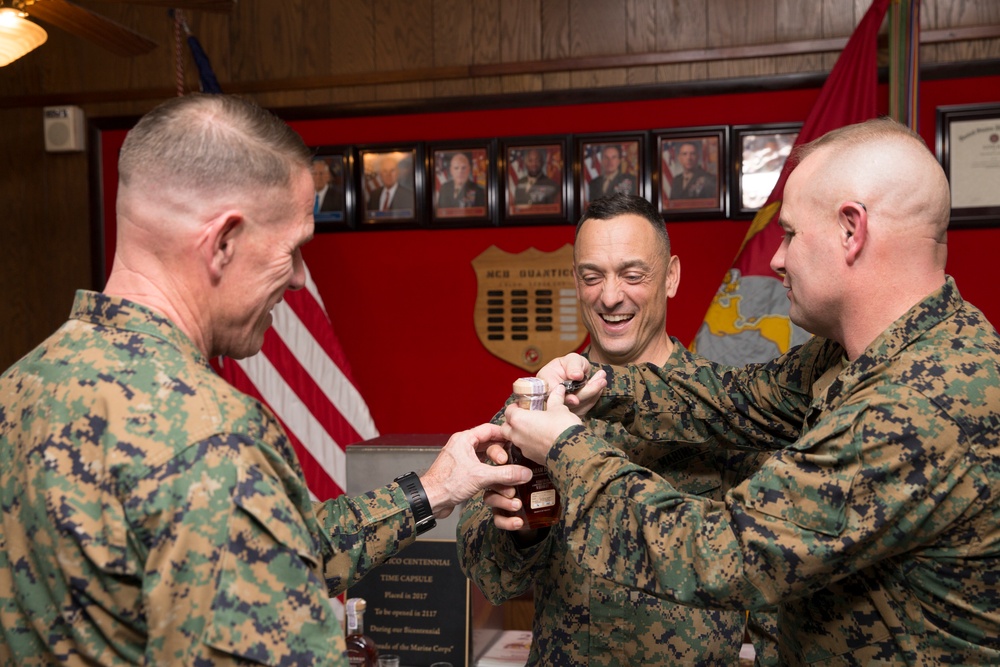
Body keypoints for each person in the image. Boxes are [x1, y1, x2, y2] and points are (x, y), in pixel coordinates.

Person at [0, 93, 531, 666]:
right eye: (295, 249)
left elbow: (286, 546)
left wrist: (436, 489)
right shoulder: (211, 435)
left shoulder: (19, 387)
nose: (301, 279)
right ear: (223, 242)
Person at [501, 118, 1000, 664]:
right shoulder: (859, 354)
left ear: (851, 230)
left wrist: (568, 448)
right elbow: (735, 399)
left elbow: (722, 553)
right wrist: (604, 387)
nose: (777, 259)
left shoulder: (916, 403)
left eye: (789, 234)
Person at [457, 193, 754, 666]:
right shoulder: (538, 405)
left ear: (671, 276)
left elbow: (771, 565)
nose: (610, 297)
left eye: (633, 275)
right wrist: (523, 532)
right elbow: (487, 574)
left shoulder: (723, 409)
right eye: (592, 276)